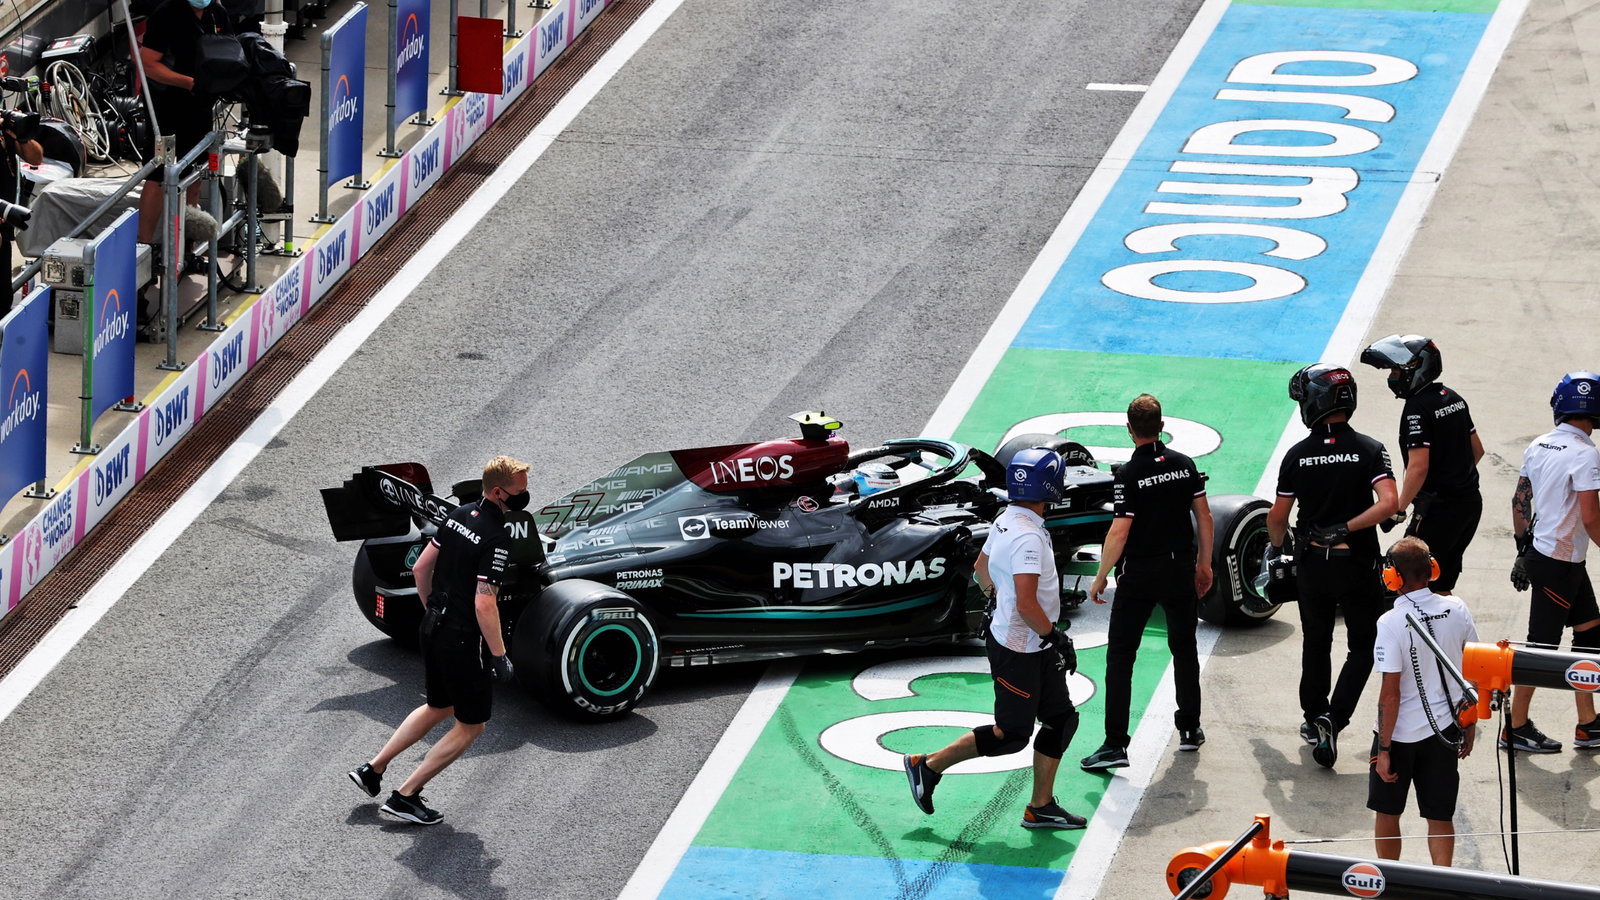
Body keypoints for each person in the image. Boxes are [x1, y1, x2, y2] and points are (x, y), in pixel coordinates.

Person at [902, 447, 1086, 829]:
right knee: (1011, 735)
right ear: (1050, 486)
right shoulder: (1028, 538)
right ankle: (928, 765)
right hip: (1021, 648)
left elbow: (980, 568)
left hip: (1031, 643)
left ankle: (1040, 807)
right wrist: (1057, 638)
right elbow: (1026, 605)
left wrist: (993, 601)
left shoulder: (1007, 518)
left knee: (1061, 719)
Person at [348, 455, 529, 824]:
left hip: (432, 627)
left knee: (438, 706)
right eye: (519, 492)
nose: (524, 497)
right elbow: (484, 602)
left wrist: (431, 607)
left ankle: (373, 769)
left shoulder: (459, 515)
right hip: (464, 641)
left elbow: (420, 568)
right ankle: (405, 796)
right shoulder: (497, 538)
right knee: (472, 725)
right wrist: (499, 654)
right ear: (498, 492)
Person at [1267, 364, 1399, 769]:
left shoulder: (1297, 455)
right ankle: (1334, 717)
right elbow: (1389, 503)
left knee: (1316, 641)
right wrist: (1348, 525)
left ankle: (1312, 718)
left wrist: (1277, 550)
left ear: (1313, 402)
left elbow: (1277, 518)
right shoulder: (1370, 447)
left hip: (1312, 566)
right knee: (1363, 647)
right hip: (1356, 562)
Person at [1080, 394, 1214, 771]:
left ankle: (1115, 745)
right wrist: (1204, 564)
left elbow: (1120, 531)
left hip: (1140, 574)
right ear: (1162, 425)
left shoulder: (1128, 474)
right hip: (1179, 569)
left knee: (1121, 657)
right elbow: (1204, 517)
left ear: (1129, 429)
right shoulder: (1184, 465)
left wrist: (1102, 575)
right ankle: (1190, 728)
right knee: (1184, 648)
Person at [1504, 371, 1600, 753]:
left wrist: (1521, 549)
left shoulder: (1539, 444)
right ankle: (1515, 726)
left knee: (1591, 633)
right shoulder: (1586, 453)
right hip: (1561, 563)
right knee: (1539, 650)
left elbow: (1519, 502)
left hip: (1551, 557)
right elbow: (1591, 517)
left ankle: (1588, 724)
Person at [1370, 536, 1478, 866]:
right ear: (1432, 570)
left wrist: (1385, 750)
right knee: (1440, 816)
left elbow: (1390, 694)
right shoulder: (1457, 609)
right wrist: (1469, 722)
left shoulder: (1390, 623)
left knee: (1388, 813)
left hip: (1399, 737)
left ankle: (1389, 883)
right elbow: (1475, 672)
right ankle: (1443, 884)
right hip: (1444, 732)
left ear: (1394, 578)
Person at [1360, 335, 1484, 594]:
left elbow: (1418, 467)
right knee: (1441, 582)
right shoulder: (1453, 398)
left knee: (1408, 583)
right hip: (1470, 505)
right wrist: (1453, 474)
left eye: (1396, 369)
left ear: (1415, 368)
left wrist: (1398, 508)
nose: (1392, 376)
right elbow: (1477, 450)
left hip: (1438, 512)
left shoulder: (1416, 408)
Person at [136, 0, 234, 245]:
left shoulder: (216, 13)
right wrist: (188, 83)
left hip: (200, 107)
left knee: (196, 170)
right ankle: (145, 245)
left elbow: (229, 51)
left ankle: (186, 242)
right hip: (166, 109)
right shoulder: (166, 15)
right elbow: (149, 64)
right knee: (160, 172)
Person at [0, 109, 43, 314]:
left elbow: (36, 158)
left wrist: (21, 135)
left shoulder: (4, 130)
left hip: (6, 222)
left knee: (4, 298)